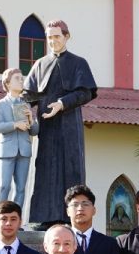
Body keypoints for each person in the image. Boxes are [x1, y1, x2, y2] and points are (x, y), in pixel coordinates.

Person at [21, 20, 97, 224]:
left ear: (66, 37)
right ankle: (42, 218)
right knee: (43, 170)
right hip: (46, 127)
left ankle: (68, 218)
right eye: (49, 37)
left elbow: (86, 91)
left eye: (57, 36)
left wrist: (62, 104)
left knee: (70, 169)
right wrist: (26, 108)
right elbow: (28, 94)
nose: (53, 41)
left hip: (69, 126)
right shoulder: (40, 64)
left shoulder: (78, 63)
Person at [0, 68, 39, 206]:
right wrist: (15, 124)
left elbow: (34, 132)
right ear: (7, 83)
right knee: (3, 186)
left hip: (24, 150)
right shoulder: (0, 105)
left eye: (21, 78)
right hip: (7, 149)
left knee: (20, 189)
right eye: (17, 79)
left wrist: (31, 120)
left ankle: (17, 220)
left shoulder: (25, 105)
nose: (21, 81)